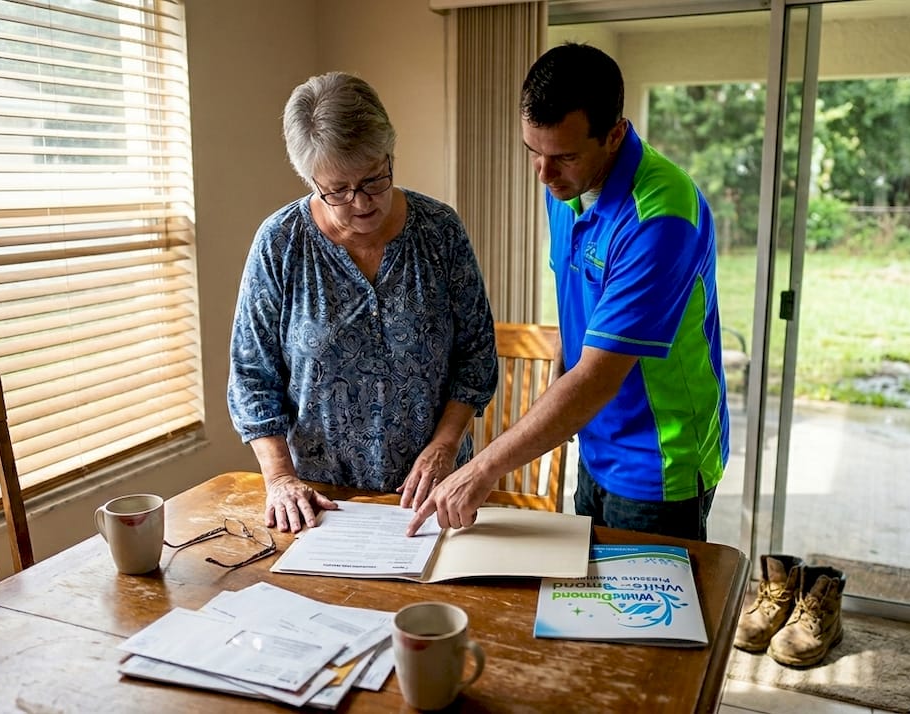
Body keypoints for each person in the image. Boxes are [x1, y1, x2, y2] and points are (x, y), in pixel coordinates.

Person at [408, 42, 729, 541]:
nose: (543, 173)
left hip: (657, 462)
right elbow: (581, 303)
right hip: (595, 440)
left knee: (637, 619)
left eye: (563, 156)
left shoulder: (661, 216)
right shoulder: (565, 185)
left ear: (615, 134)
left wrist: (481, 469)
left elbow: (598, 379)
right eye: (532, 151)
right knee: (585, 605)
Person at [229, 72, 498, 533]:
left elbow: (475, 354)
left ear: (390, 154)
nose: (360, 202)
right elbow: (252, 374)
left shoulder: (440, 231)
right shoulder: (280, 243)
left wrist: (445, 445)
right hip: (321, 504)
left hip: (433, 496)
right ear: (310, 179)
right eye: (337, 189)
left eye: (374, 178)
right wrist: (279, 479)